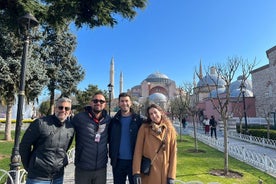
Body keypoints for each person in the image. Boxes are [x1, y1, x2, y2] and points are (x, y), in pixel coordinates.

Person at [19, 97, 75, 184]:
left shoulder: (70, 128)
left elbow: (65, 149)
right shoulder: (40, 123)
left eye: (66, 108)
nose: (63, 110)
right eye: (60, 107)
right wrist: (29, 166)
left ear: (70, 111)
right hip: (38, 177)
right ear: (55, 108)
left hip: (58, 176)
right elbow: (24, 146)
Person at [71, 92, 111, 184]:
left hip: (101, 168)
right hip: (83, 168)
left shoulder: (108, 120)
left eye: (101, 101)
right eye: (95, 101)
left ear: (105, 104)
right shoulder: (79, 118)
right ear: (90, 103)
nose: (98, 103)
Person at [132, 104, 177, 184]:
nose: (154, 115)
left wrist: (171, 176)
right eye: (151, 114)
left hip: (164, 173)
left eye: (155, 112)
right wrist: (136, 172)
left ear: (161, 112)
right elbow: (138, 151)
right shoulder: (144, 128)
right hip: (149, 173)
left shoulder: (170, 130)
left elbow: (173, 154)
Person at [108, 92, 144, 184]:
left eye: (127, 101)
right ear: (119, 103)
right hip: (118, 162)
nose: (124, 103)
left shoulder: (138, 120)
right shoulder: (114, 121)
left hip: (134, 162)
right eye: (122, 101)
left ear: (131, 103)